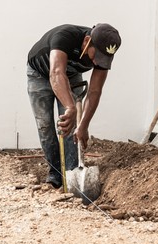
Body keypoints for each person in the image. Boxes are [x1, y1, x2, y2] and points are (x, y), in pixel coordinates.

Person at [27, 23, 121, 188]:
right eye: (96, 55)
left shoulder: (102, 54)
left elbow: (95, 91)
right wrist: (70, 107)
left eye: (103, 58)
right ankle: (55, 174)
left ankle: (71, 176)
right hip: (39, 75)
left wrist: (84, 125)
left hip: (70, 75)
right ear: (86, 41)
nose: (97, 62)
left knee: (72, 127)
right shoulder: (65, 37)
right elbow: (56, 73)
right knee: (45, 126)